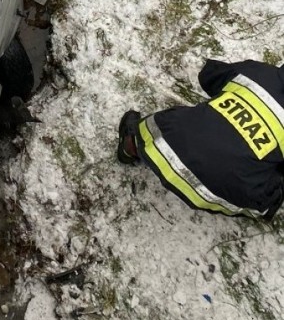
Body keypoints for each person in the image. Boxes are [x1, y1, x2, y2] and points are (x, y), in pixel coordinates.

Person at [117, 58, 284, 219]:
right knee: (272, 190)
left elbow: (208, 76)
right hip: (218, 192)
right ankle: (267, 206)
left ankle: (131, 145)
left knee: (172, 121)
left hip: (170, 147)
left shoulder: (257, 71)